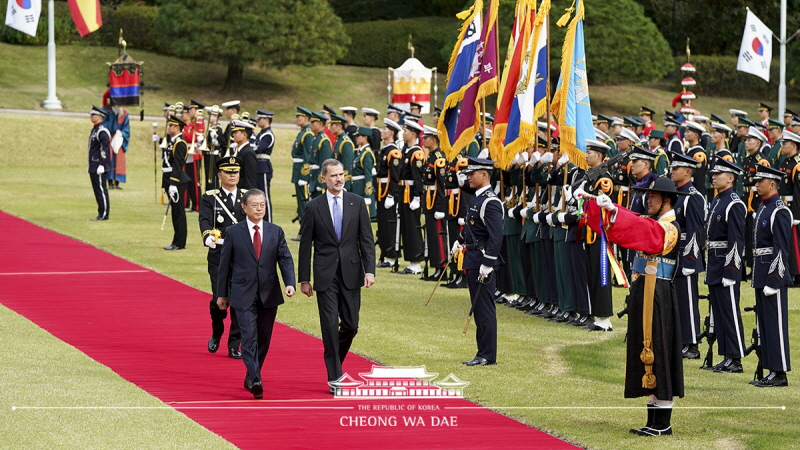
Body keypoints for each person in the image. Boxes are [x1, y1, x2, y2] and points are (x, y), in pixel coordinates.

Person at [580, 176, 686, 436]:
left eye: (653, 197)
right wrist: (596, 205)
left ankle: (663, 422)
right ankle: (653, 418)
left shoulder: (670, 227)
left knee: (658, 348)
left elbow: (646, 234)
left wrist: (614, 210)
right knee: (645, 346)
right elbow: (620, 230)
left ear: (667, 201)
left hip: (658, 293)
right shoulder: (654, 221)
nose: (647, 199)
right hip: (645, 291)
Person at [298, 159, 376, 391]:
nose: (339, 179)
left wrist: (370, 270)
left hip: (352, 272)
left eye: (341, 174)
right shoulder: (313, 207)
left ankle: (334, 361)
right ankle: (335, 376)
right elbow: (305, 245)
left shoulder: (357, 202)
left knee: (351, 326)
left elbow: (367, 241)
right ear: (323, 179)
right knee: (330, 325)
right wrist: (304, 278)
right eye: (333, 176)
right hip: (325, 274)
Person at [216, 189, 296, 399]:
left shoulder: (275, 231)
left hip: (269, 294)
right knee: (249, 336)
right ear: (244, 208)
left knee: (264, 338)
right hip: (242, 293)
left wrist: (290, 283)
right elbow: (224, 266)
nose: (260, 209)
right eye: (255, 205)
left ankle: (252, 373)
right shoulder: (233, 232)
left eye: (262, 205)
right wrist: (222, 294)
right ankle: (256, 379)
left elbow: (285, 258)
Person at [452, 156, 504, 366]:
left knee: (484, 309)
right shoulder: (478, 198)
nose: (468, 178)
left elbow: (495, 236)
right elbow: (473, 227)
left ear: (484, 175)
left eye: (472, 174)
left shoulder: (490, 202)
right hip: (473, 258)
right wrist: (460, 240)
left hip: (482, 260)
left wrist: (488, 263)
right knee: (478, 306)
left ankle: (487, 355)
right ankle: (481, 351)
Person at [199, 157, 246, 359]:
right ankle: (217, 331)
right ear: (219, 175)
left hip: (243, 257)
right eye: (228, 172)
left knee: (239, 300)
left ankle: (235, 344)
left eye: (235, 171)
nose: (233, 175)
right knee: (220, 300)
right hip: (219, 255)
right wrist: (209, 236)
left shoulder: (247, 196)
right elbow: (205, 220)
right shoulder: (211, 197)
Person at [751, 165, 793, 387]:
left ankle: (779, 372)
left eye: (761, 181)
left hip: (772, 275)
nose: (757, 184)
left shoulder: (779, 210)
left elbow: (780, 249)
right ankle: (770, 370)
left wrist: (774, 279)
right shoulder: (763, 207)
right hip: (761, 271)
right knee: (765, 324)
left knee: (775, 324)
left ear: (773, 184)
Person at [705, 158, 747, 373]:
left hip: (726, 264)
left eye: (718, 174)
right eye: (713, 174)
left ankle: (736, 357)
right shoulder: (717, 200)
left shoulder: (734, 203)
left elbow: (736, 241)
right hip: (714, 260)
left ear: (730, 178)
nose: (713, 177)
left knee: (730, 311)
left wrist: (732, 270)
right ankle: (726, 356)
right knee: (719, 312)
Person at [669, 153, 707, 359]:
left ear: (688, 171)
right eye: (672, 167)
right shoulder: (675, 194)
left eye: (677, 168)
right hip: (672, 252)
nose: (672, 170)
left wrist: (690, 260)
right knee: (675, 299)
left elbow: (694, 231)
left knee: (688, 300)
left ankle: (691, 343)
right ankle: (680, 339)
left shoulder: (693, 196)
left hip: (685, 254)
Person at [163, 115, 191, 250]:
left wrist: (173, 183)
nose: (168, 128)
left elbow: (178, 164)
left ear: (177, 127)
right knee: (175, 212)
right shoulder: (173, 141)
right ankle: (176, 241)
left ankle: (179, 243)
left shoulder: (180, 143)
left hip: (177, 181)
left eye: (170, 126)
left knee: (178, 212)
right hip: (170, 179)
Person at [88, 105, 111, 221]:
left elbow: (105, 148)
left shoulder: (102, 130)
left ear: (99, 116)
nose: (91, 116)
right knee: (97, 190)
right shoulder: (96, 129)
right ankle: (101, 213)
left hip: (98, 165)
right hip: (93, 164)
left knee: (101, 190)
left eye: (93, 115)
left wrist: (102, 164)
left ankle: (104, 214)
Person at [254, 109, 275, 223]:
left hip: (263, 167)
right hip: (258, 167)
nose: (257, 121)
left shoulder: (267, 134)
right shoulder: (261, 133)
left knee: (264, 196)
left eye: (259, 119)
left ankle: (269, 221)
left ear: (266, 120)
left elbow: (259, 148)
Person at [229, 120, 258, 192]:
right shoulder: (239, 150)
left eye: (236, 132)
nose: (233, 135)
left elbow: (250, 178)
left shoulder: (248, 153)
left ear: (244, 134)